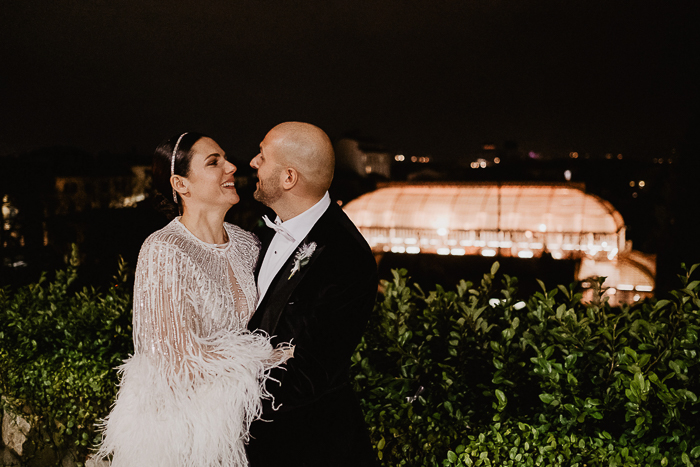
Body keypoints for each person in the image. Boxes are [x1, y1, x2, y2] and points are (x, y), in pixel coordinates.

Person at [96, 132, 292, 467]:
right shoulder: (163, 250)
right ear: (181, 184)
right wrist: (265, 358)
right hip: (181, 436)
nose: (231, 167)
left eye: (226, 158)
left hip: (247, 426)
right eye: (214, 162)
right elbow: (173, 359)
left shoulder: (249, 244)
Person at [245, 122, 378, 466]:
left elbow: (308, 377)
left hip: (306, 447)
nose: (252, 163)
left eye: (262, 155)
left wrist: (213, 390)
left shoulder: (346, 256)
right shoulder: (260, 232)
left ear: (289, 178)